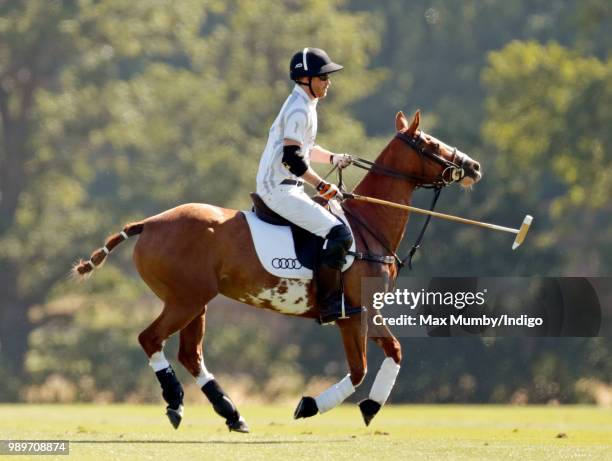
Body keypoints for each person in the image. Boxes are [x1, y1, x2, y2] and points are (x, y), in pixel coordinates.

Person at [256, 47, 354, 324]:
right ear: (305, 79)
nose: (328, 82)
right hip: (278, 188)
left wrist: (333, 157)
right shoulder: (299, 109)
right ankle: (329, 302)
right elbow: (293, 159)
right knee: (340, 234)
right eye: (323, 77)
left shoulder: (305, 104)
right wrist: (323, 186)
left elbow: (306, 149)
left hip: (289, 186)